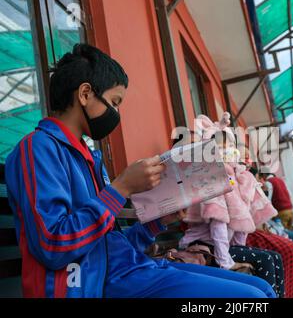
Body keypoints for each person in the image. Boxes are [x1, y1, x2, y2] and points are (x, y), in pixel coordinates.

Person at [4, 44, 275, 298]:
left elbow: (108, 245)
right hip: (93, 284)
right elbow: (53, 245)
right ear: (85, 94)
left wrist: (159, 222)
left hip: (127, 270)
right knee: (251, 298)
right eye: (115, 100)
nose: (117, 112)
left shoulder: (88, 157)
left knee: (261, 288)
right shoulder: (39, 148)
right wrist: (120, 188)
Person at [179, 113, 282, 296]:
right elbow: (218, 223)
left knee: (275, 257)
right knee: (266, 260)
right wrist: (227, 262)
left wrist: (239, 251)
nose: (226, 149)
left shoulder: (237, 179)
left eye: (229, 144)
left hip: (222, 247)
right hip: (206, 248)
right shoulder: (210, 177)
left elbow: (240, 226)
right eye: (219, 145)